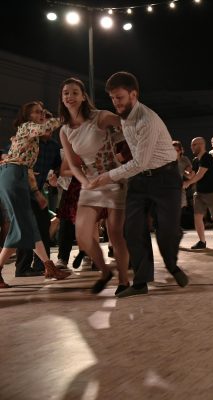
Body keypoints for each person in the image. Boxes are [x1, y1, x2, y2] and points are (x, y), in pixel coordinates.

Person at [90, 71, 189, 297]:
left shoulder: (147, 120)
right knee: (132, 229)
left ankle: (172, 266)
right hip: (140, 180)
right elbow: (124, 140)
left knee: (167, 232)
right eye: (112, 98)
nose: (116, 102)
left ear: (133, 95)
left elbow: (139, 162)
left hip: (166, 178)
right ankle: (141, 282)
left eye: (119, 97)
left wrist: (106, 177)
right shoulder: (125, 117)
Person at [58, 77, 130, 295]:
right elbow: (72, 164)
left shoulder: (100, 117)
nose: (69, 96)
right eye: (66, 93)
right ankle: (105, 272)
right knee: (82, 236)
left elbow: (128, 124)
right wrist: (86, 182)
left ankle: (124, 281)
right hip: (91, 183)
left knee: (115, 233)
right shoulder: (65, 130)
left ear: (83, 97)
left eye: (74, 92)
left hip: (114, 178)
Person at [0, 101, 71, 288]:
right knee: (20, 227)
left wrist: (36, 192)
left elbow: (28, 168)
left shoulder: (33, 138)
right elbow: (45, 128)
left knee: (30, 226)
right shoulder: (26, 127)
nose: (41, 115)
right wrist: (65, 117)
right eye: (37, 112)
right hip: (13, 175)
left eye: (43, 112)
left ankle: (49, 266)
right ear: (27, 116)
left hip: (19, 175)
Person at [14, 109, 62, 277]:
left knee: (43, 225)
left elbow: (58, 165)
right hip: (22, 189)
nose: (46, 126)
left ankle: (42, 266)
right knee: (25, 228)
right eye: (43, 121)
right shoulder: (30, 139)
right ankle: (23, 267)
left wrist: (55, 175)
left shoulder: (54, 146)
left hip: (37, 191)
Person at [183, 137, 213, 250]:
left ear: (201, 145)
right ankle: (202, 242)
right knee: (197, 217)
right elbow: (193, 175)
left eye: (194, 144)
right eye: (191, 145)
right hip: (199, 193)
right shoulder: (195, 160)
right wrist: (185, 172)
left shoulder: (207, 158)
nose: (192, 147)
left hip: (212, 193)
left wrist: (188, 183)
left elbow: (200, 174)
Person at [173, 140, 193, 208]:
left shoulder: (184, 159)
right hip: (167, 188)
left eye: (177, 150)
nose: (175, 152)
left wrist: (186, 173)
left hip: (180, 188)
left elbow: (190, 175)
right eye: (173, 150)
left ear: (180, 151)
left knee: (180, 207)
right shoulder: (166, 160)